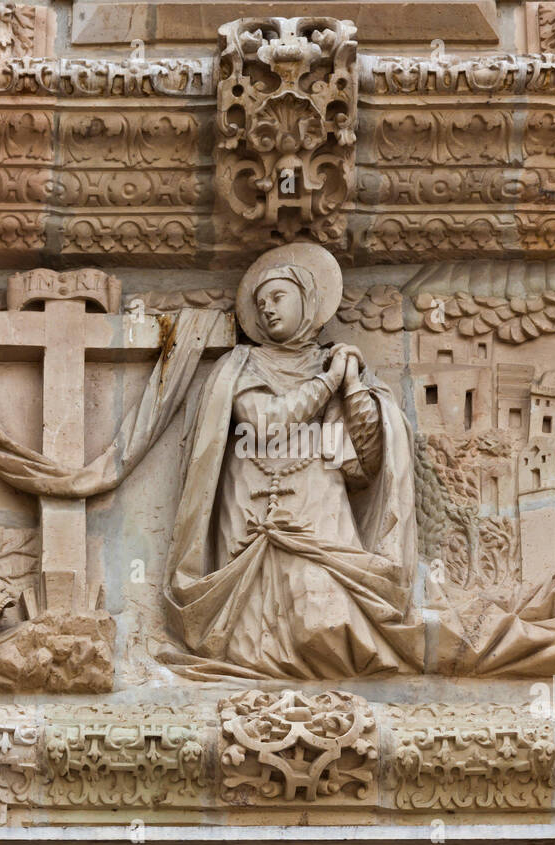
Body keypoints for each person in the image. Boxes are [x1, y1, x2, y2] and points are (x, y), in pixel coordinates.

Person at [163, 243, 424, 679]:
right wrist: (329, 382)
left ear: (307, 300)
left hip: (316, 502)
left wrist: (356, 389)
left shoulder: (338, 363)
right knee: (250, 636)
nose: (267, 310)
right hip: (249, 503)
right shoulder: (241, 364)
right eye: (260, 303)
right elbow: (265, 422)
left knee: (322, 621)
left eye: (278, 298)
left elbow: (370, 458)